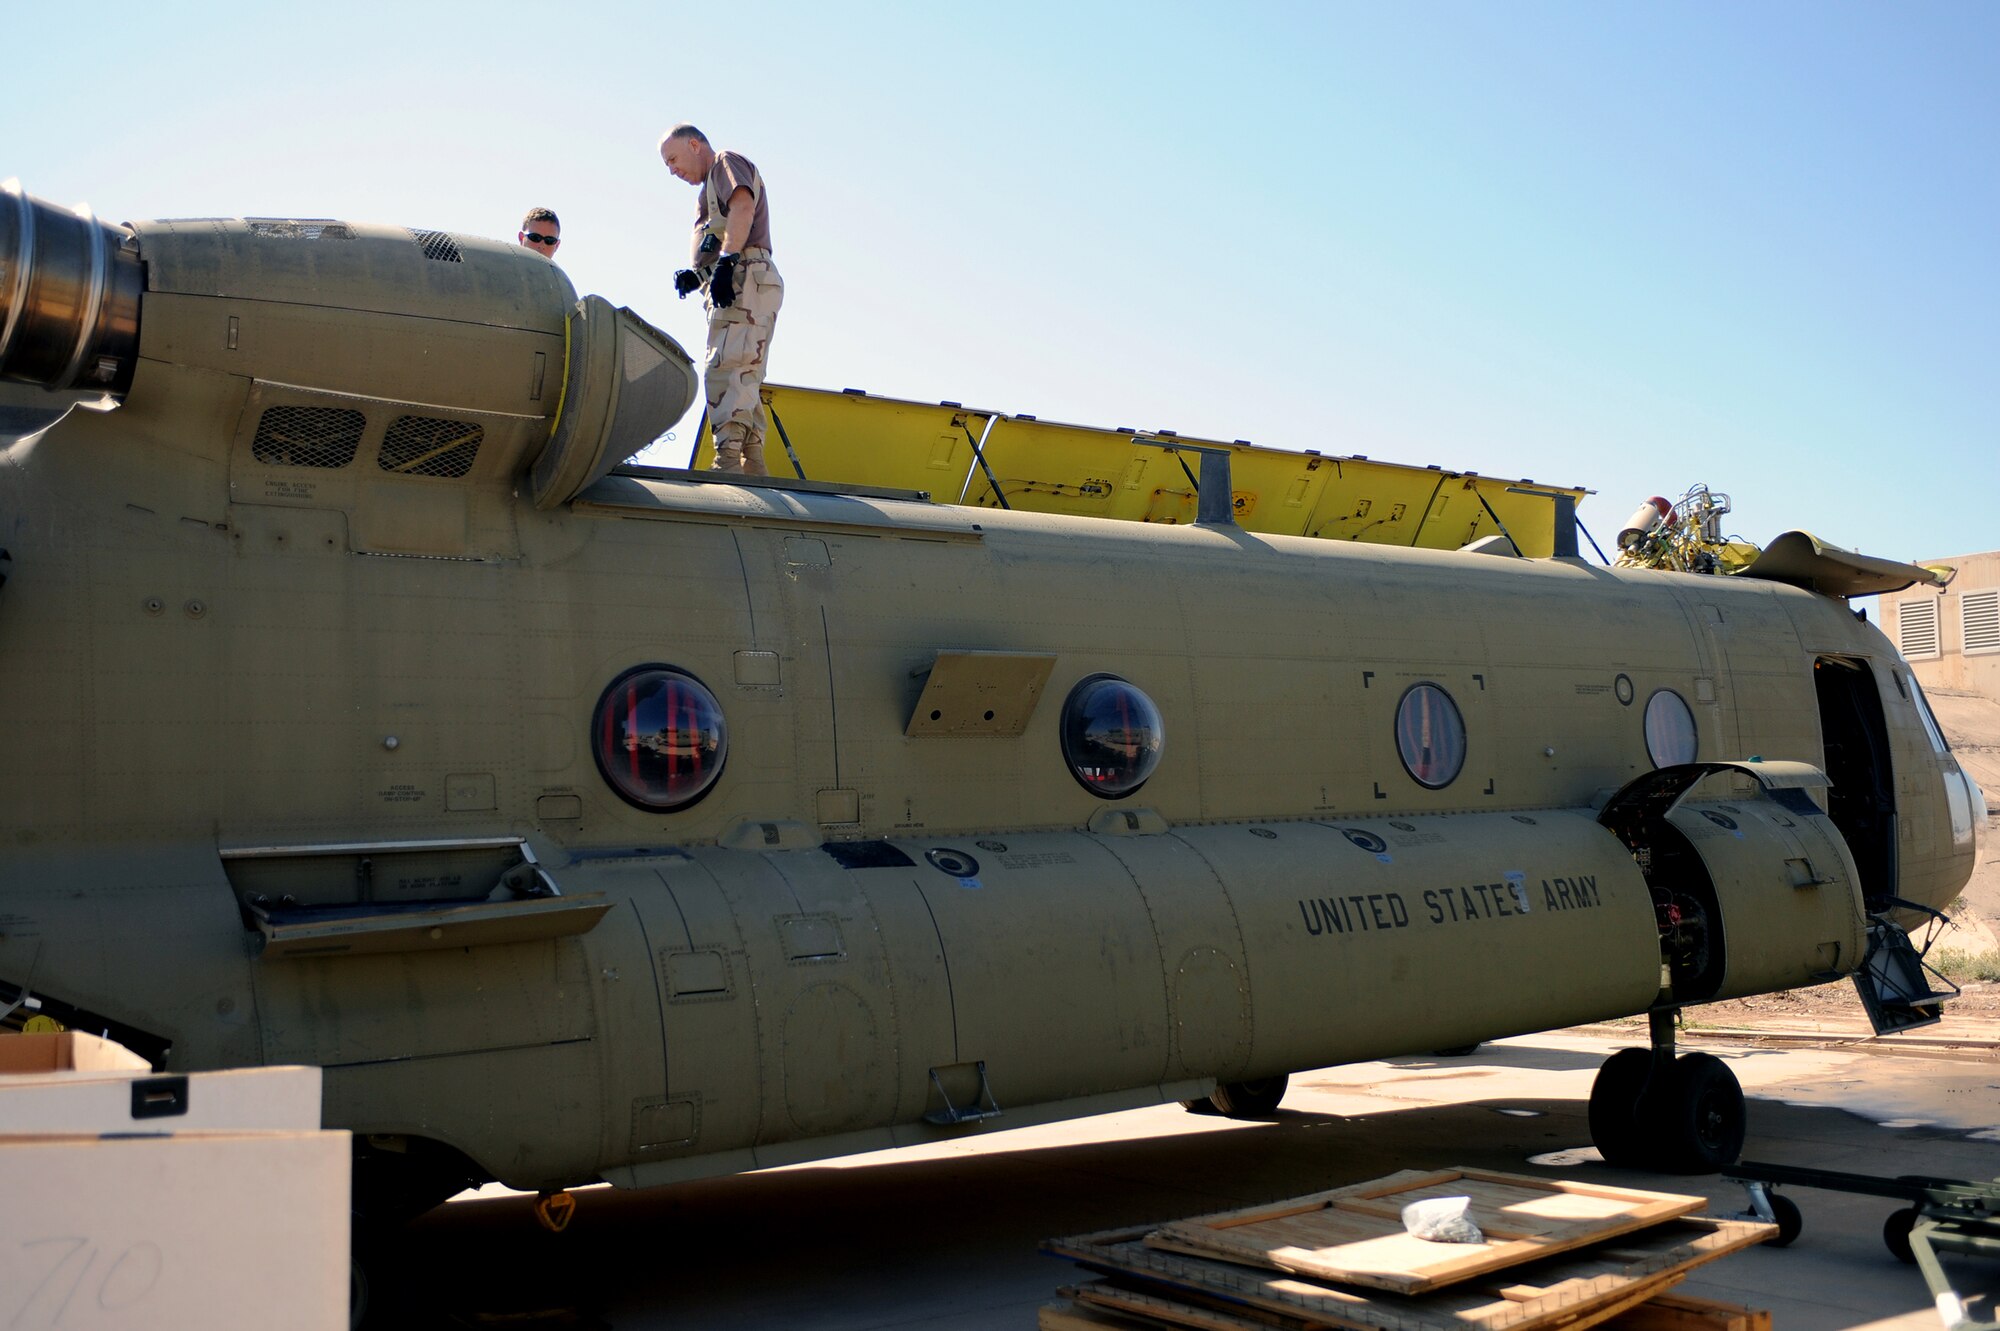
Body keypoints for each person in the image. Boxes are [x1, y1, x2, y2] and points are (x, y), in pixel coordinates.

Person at [659, 124, 782, 476]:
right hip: (739, 278)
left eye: (673, 159)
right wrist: (698, 274)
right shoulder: (708, 192)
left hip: (746, 275)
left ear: (694, 144)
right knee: (744, 370)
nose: (672, 170)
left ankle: (728, 460)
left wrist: (728, 263)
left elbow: (743, 207)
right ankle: (750, 460)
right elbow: (718, 240)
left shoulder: (725, 164)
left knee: (727, 367)